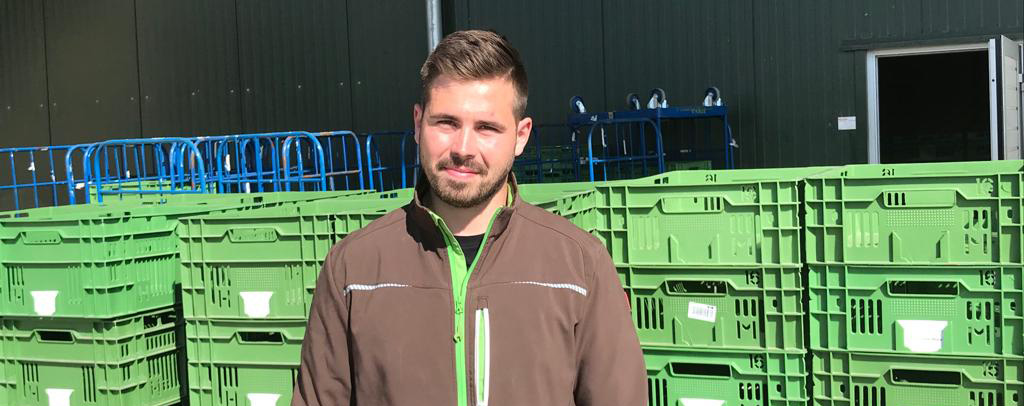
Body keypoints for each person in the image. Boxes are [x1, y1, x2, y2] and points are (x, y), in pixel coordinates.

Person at [292, 29, 646, 406]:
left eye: (486, 128)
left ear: (521, 136)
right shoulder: (353, 270)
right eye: (446, 123)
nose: (463, 148)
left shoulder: (579, 267)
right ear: (418, 123)